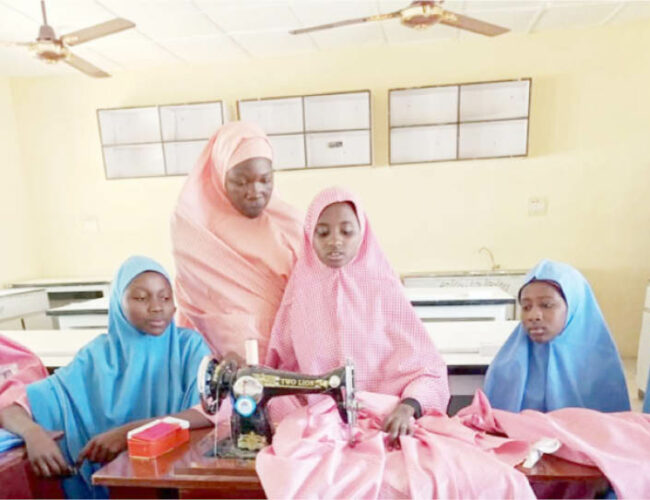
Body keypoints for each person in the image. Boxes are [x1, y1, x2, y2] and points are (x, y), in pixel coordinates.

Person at [0, 256, 213, 498]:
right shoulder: (96, 356)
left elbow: (207, 412)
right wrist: (34, 434)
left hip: (172, 486)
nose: (156, 307)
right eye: (141, 298)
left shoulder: (188, 348)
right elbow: (12, 406)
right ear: (117, 302)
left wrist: (128, 434)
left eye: (165, 297)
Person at [265, 186, 450, 439]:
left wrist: (409, 407)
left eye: (347, 231)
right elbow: (277, 371)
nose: (335, 241)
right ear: (309, 236)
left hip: (388, 425)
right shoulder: (298, 296)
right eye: (323, 232)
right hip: (321, 430)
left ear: (362, 233)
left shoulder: (384, 291)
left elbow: (430, 372)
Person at [171, 121, 302, 361]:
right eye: (241, 182)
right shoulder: (195, 232)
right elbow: (194, 305)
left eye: (265, 180)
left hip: (294, 360)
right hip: (227, 366)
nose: (255, 191)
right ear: (220, 175)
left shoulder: (292, 225)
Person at [484, 259, 630, 413]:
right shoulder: (506, 369)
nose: (533, 316)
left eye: (546, 305)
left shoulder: (601, 369)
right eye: (526, 307)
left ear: (574, 307)